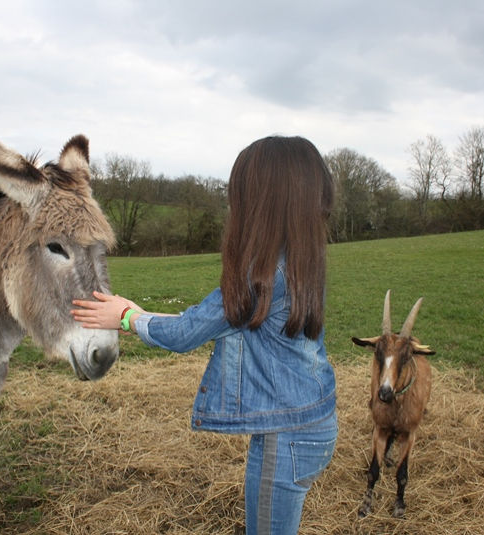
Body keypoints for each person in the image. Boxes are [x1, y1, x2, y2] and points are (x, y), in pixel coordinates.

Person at [72, 135, 337, 534]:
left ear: (264, 201)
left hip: (287, 437)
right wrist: (141, 314)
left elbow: (185, 333)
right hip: (307, 422)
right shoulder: (296, 263)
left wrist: (126, 317)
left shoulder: (260, 278)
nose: (236, 204)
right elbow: (208, 320)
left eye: (242, 193)